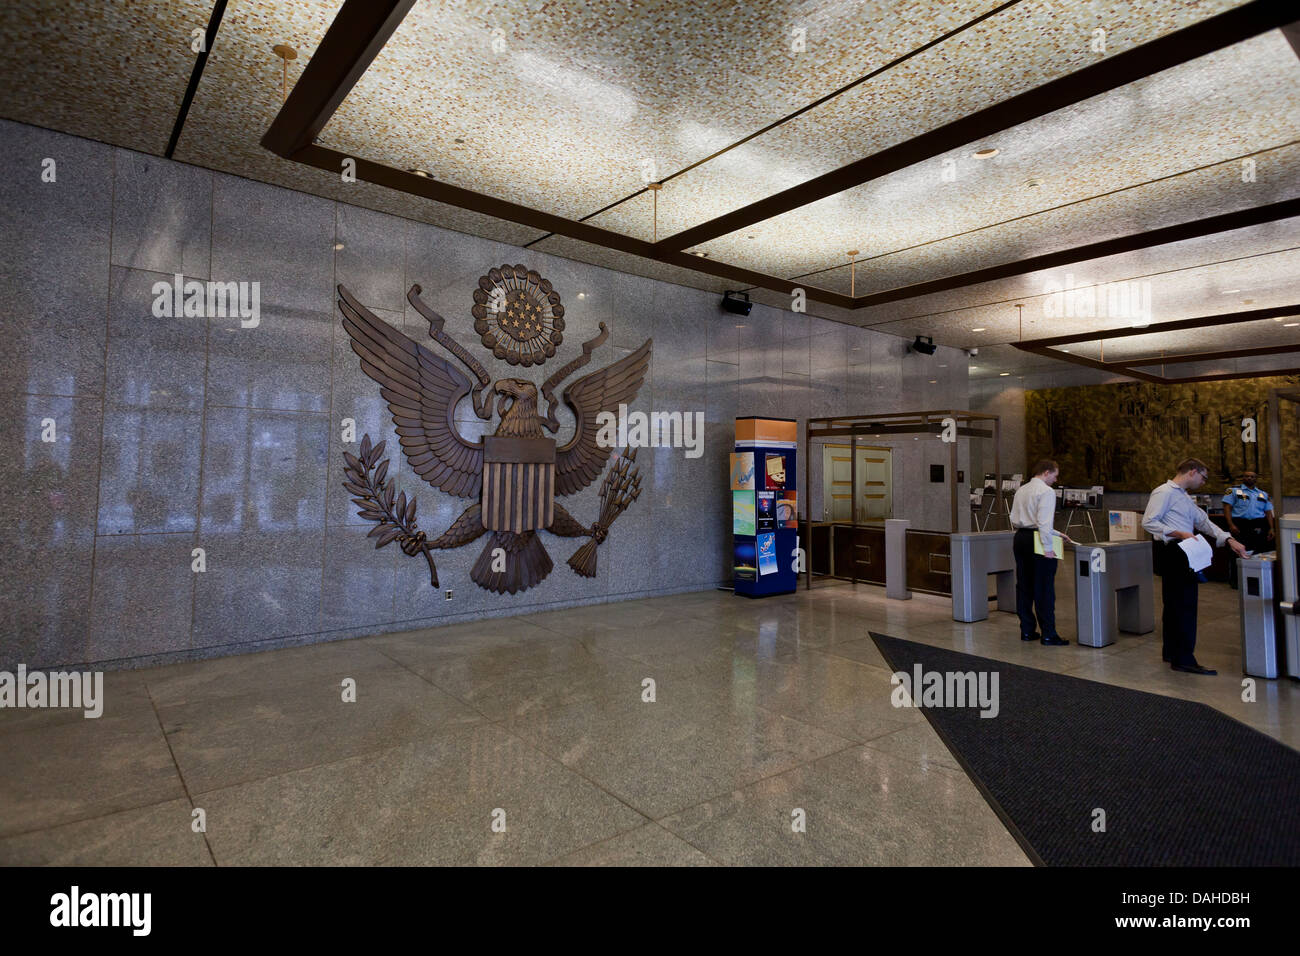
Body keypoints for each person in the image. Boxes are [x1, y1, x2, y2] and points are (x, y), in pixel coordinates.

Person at [1142, 458, 1248, 675]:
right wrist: (1179, 533)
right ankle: (1184, 659)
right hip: (1175, 552)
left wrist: (1228, 540)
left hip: (1182, 550)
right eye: (1203, 477)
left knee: (1175, 605)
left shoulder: (1183, 497)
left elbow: (1203, 521)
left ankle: (1172, 653)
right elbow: (1149, 522)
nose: (1203, 482)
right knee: (1184, 605)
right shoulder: (1164, 492)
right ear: (1192, 472)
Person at [1009, 459, 1072, 646]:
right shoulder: (1046, 491)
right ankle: (1048, 634)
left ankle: (1027, 630)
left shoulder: (1022, 489)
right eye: (1055, 475)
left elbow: (1018, 519)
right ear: (1046, 472)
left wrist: (1058, 533)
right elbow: (1043, 522)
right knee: (1044, 588)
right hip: (1038, 541)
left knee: (1024, 586)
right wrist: (1048, 547)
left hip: (1020, 538)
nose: (1056, 479)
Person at [1222, 470, 1275, 588]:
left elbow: (1268, 512)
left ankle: (1254, 581)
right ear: (1243, 478)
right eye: (1247, 476)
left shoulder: (1263, 494)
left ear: (1256, 479)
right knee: (1237, 553)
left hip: (1258, 525)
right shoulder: (1233, 491)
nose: (1249, 478)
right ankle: (1236, 581)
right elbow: (1227, 508)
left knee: (1257, 553)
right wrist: (1231, 525)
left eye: (1252, 477)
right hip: (1240, 524)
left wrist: (1271, 528)